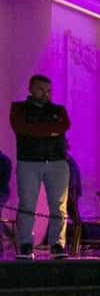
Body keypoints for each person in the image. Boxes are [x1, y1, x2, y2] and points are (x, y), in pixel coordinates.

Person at [11, 74, 70, 259]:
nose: (45, 94)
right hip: (29, 161)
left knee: (58, 206)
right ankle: (25, 245)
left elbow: (63, 126)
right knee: (27, 204)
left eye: (48, 90)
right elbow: (22, 128)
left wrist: (37, 130)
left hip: (57, 162)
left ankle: (57, 245)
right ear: (30, 89)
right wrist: (49, 130)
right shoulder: (19, 109)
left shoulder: (58, 110)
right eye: (40, 89)